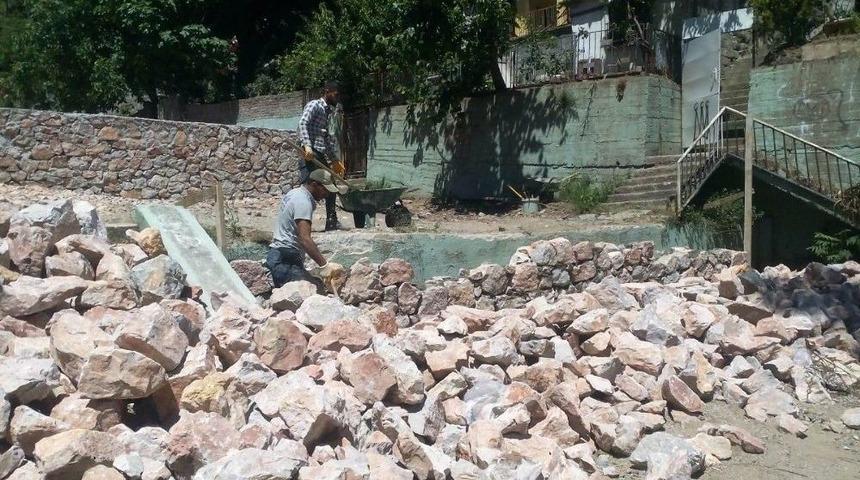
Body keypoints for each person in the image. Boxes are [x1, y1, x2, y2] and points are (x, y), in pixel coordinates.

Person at [267, 169, 344, 290]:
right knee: (313, 290)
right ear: (314, 184)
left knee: (314, 285)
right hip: (285, 260)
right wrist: (324, 265)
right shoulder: (303, 202)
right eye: (325, 189)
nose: (327, 194)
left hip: (279, 254)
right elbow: (305, 239)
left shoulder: (295, 193)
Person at [299, 80, 342, 231]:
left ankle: (331, 220)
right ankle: (300, 224)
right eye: (335, 94)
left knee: (331, 185)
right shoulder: (314, 105)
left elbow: (324, 138)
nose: (337, 98)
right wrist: (307, 145)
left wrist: (335, 160)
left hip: (318, 152)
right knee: (306, 187)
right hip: (309, 154)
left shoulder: (327, 111)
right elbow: (303, 123)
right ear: (327, 91)